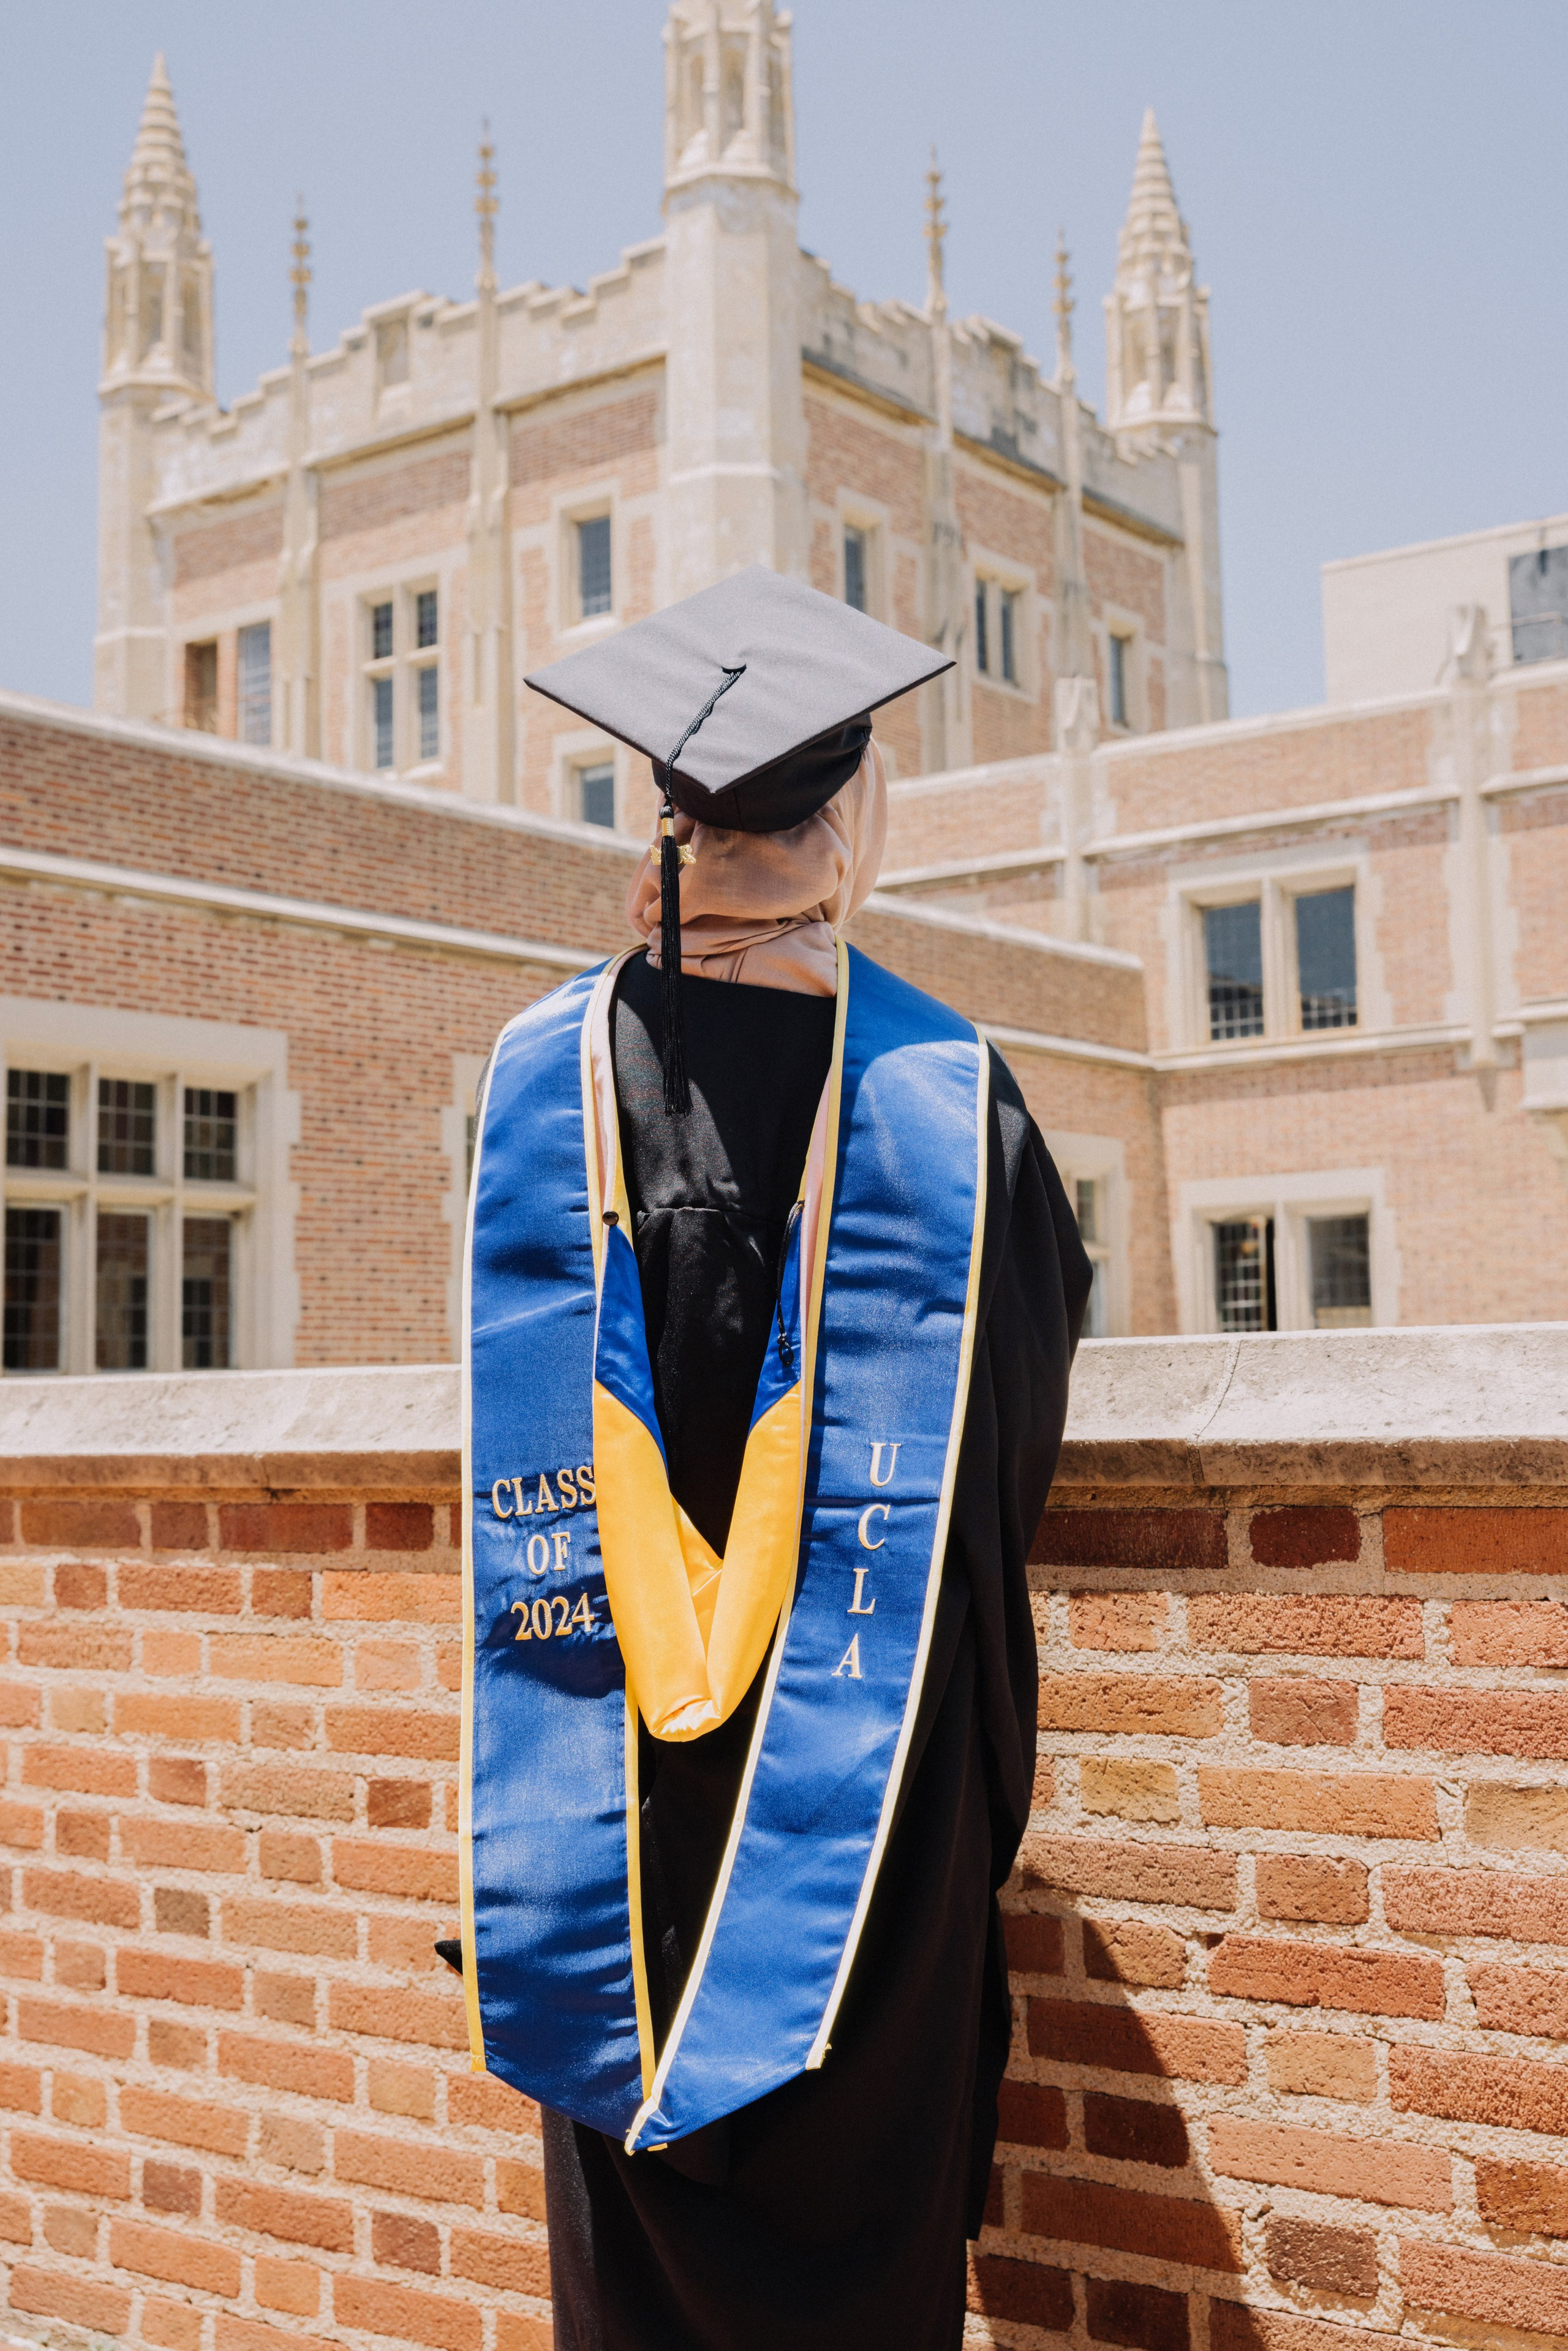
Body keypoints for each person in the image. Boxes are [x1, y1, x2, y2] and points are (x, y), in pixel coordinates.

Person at [458, 567, 1092, 2351]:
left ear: (668, 827)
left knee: (633, 2273)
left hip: (604, 1807)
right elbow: (1011, 1454)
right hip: (858, 1806)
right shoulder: (953, 1104)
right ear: (853, 824)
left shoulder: (541, 1083)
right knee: (852, 2270)